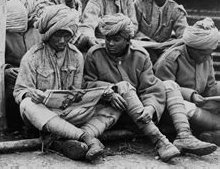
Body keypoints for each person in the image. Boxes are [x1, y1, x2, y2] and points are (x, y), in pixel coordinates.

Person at [84, 14, 216, 162]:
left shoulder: (140, 56)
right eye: (107, 39)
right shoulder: (94, 55)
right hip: (110, 111)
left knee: (169, 85)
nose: (110, 44)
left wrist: (151, 108)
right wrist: (109, 91)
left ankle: (184, 135)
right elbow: (87, 84)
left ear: (128, 40)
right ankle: (160, 141)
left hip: (142, 115)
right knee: (123, 87)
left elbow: (151, 88)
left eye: (116, 40)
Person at [13, 5, 120, 161]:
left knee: (115, 104)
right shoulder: (32, 57)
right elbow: (19, 91)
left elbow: (77, 90)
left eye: (67, 35)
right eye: (58, 36)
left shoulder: (76, 56)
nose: (62, 40)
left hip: (70, 113)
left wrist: (103, 93)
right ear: (49, 34)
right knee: (27, 104)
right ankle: (87, 138)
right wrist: (31, 93)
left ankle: (61, 140)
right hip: (45, 115)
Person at [154, 18, 220, 145]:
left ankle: (211, 134)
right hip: (175, 110)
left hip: (200, 105)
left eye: (208, 54)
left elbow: (210, 86)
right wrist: (191, 95)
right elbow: (163, 89)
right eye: (203, 55)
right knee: (188, 108)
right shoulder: (171, 59)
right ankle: (214, 128)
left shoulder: (206, 57)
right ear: (192, 48)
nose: (207, 58)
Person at [4, 0, 40, 130]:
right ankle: (14, 128)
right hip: (14, 76)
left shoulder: (39, 30)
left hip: (36, 74)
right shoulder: (5, 27)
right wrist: (5, 70)